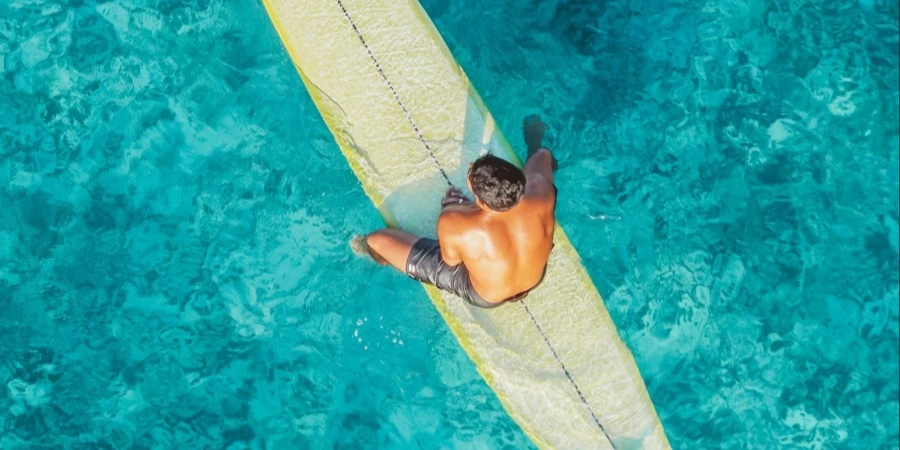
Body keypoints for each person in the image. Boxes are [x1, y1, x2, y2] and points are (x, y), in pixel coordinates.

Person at [352, 115, 557, 308]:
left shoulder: (453, 221)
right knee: (542, 155)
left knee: (377, 241)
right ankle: (535, 142)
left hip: (486, 295)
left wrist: (459, 210)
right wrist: (473, 209)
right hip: (535, 277)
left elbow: (451, 261)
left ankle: (371, 252)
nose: (469, 166)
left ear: (480, 200)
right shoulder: (541, 190)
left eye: (471, 173)